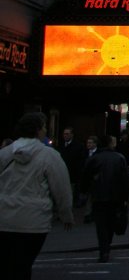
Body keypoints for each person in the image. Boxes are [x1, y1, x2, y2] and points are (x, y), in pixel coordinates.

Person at [0, 112, 74, 279]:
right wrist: (66, 215)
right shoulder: (50, 156)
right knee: (24, 264)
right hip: (34, 220)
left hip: (4, 218)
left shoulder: (5, 153)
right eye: (45, 127)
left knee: (6, 265)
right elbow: (61, 189)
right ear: (39, 130)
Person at [80, 134, 129, 263]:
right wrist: (125, 197)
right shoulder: (119, 158)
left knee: (101, 224)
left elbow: (85, 176)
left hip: (98, 195)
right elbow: (124, 179)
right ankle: (107, 244)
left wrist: (84, 191)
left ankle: (104, 250)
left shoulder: (94, 158)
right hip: (115, 196)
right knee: (111, 222)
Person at [58, 126, 87, 206]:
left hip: (72, 174)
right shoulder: (61, 145)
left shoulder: (78, 146)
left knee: (70, 195)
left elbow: (80, 161)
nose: (65, 136)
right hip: (61, 174)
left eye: (67, 134)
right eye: (64, 134)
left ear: (72, 135)